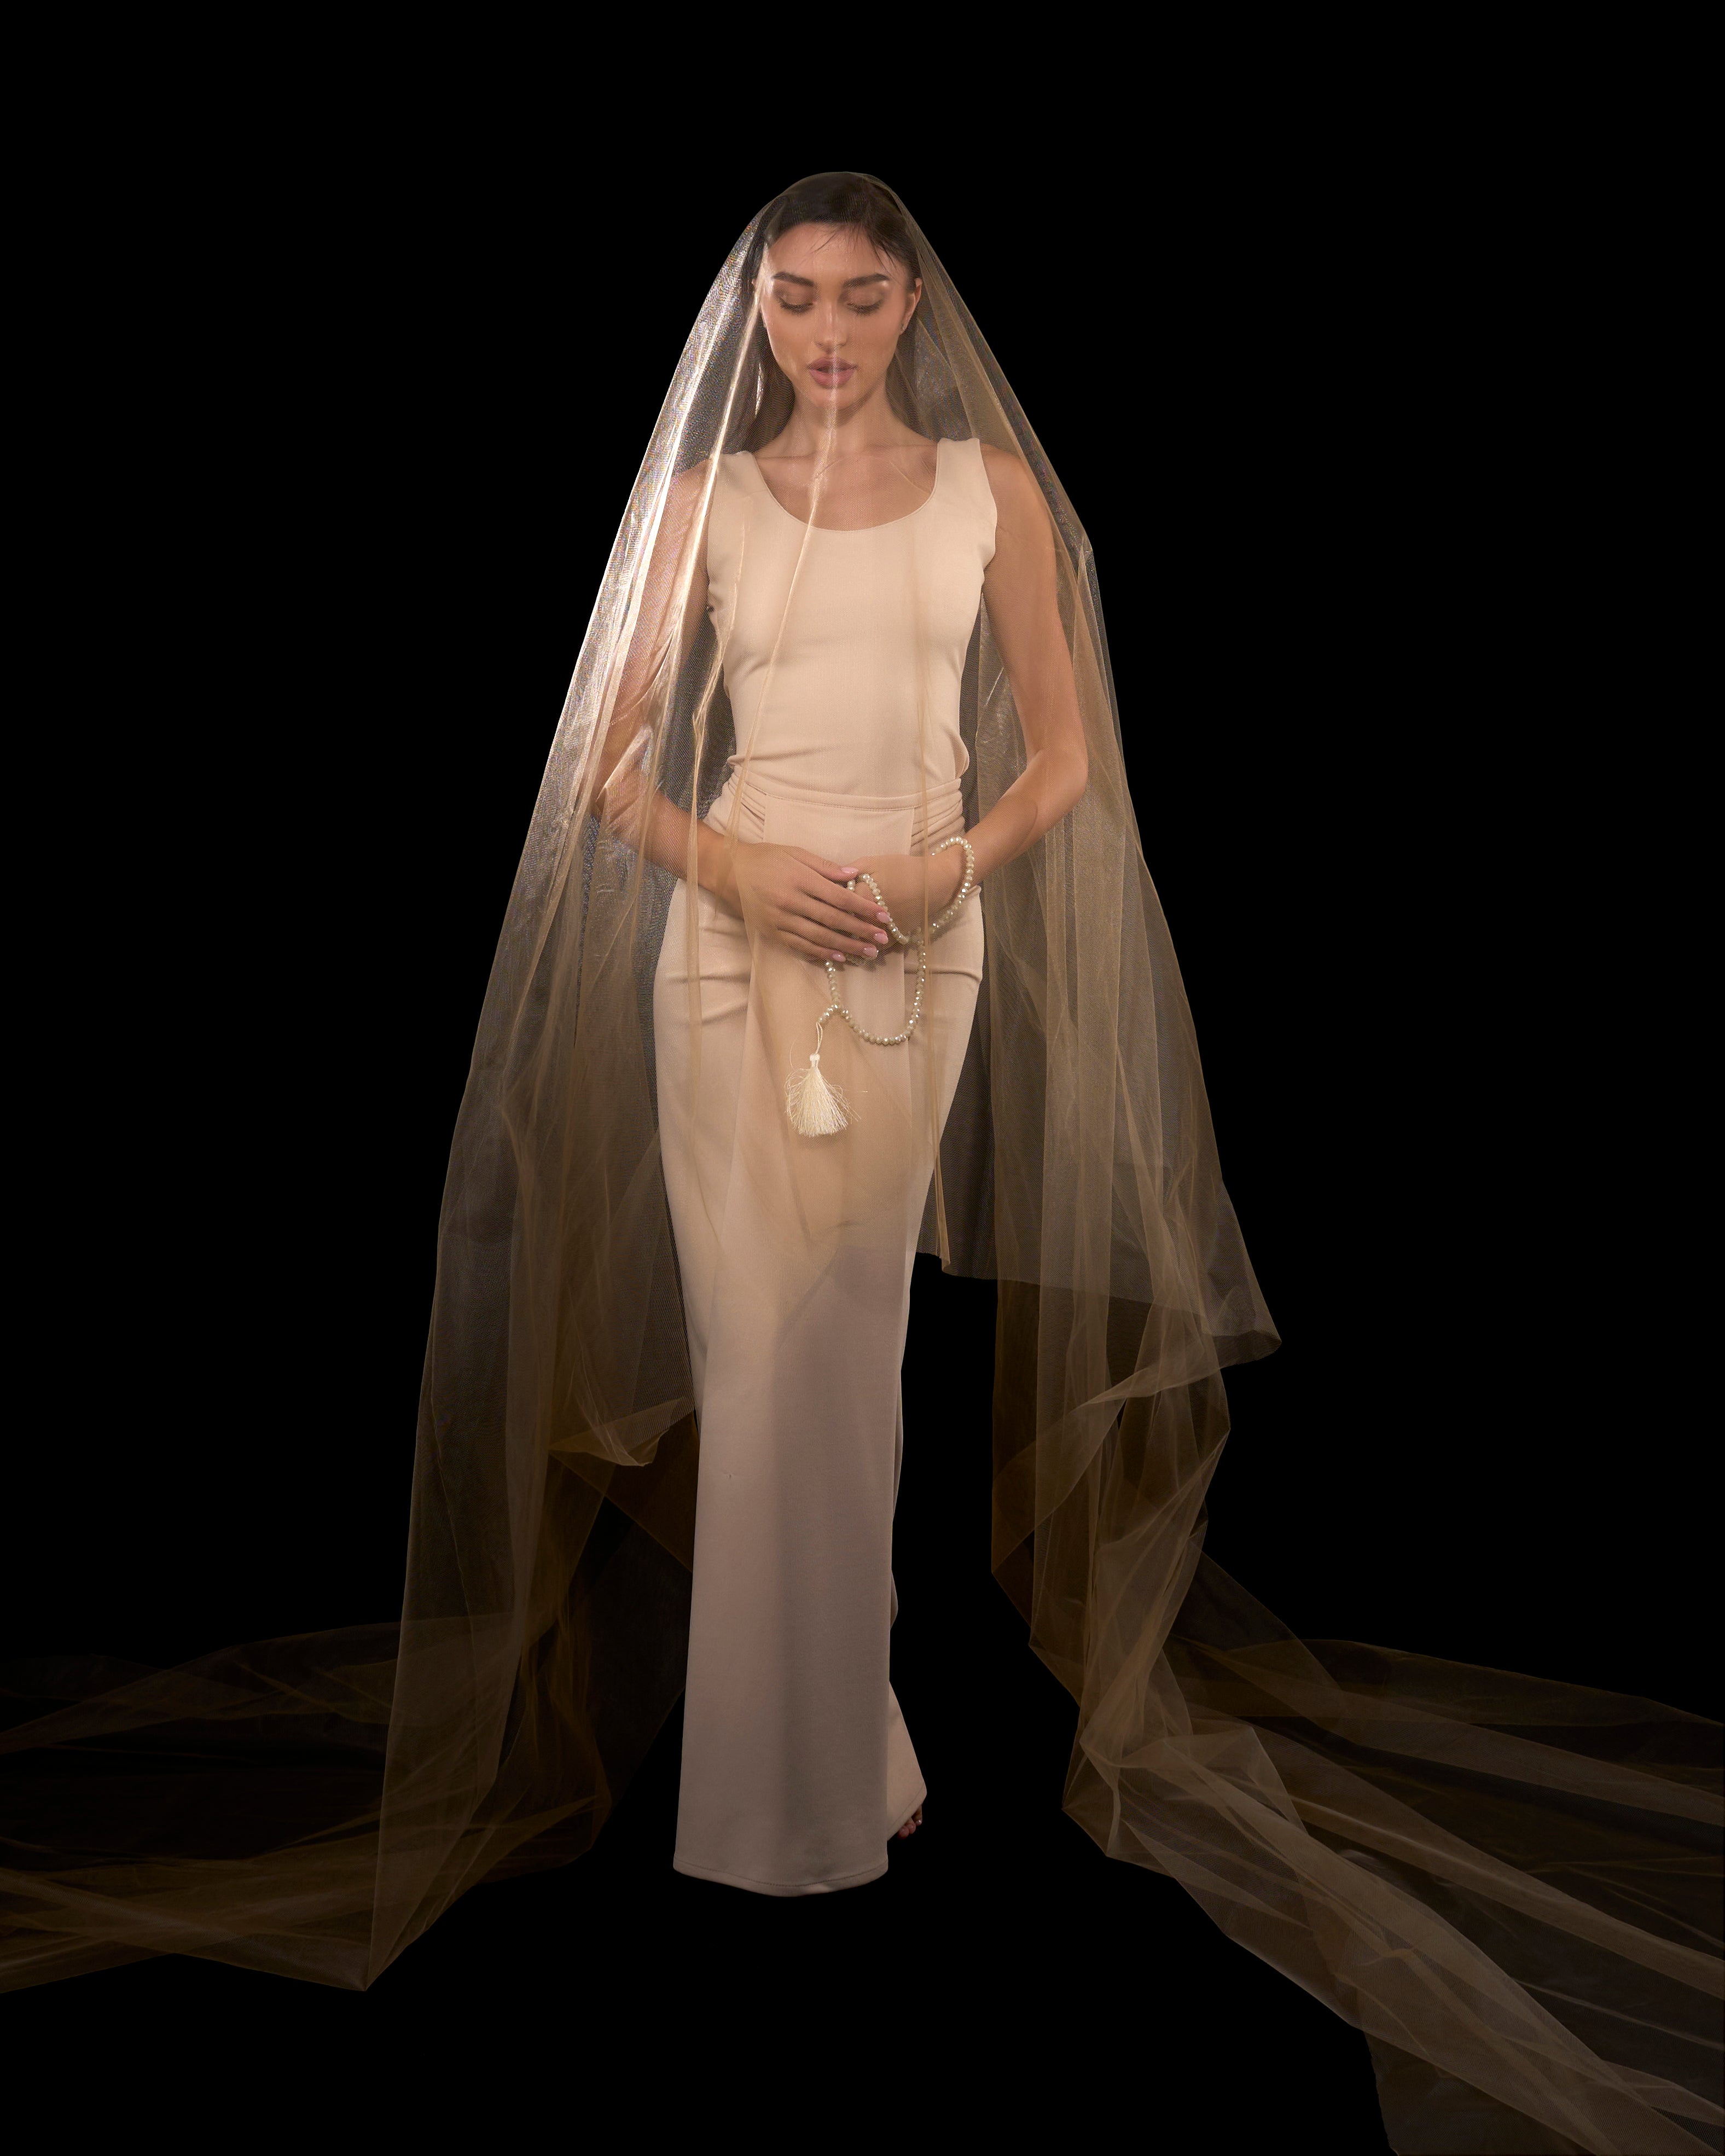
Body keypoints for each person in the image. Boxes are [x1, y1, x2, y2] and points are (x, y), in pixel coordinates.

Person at [2, 175, 1716, 2156]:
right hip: (728, 963)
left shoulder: (993, 491)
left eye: (860, 299)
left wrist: (937, 871)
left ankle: (835, 1759)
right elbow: (605, 765)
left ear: (912, 309)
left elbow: (1063, 757)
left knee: (848, 1361)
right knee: (756, 1367)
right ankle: (802, 1792)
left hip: (916, 955)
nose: (825, 333)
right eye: (795, 301)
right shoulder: (704, 503)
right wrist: (739, 872)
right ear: (760, 314)